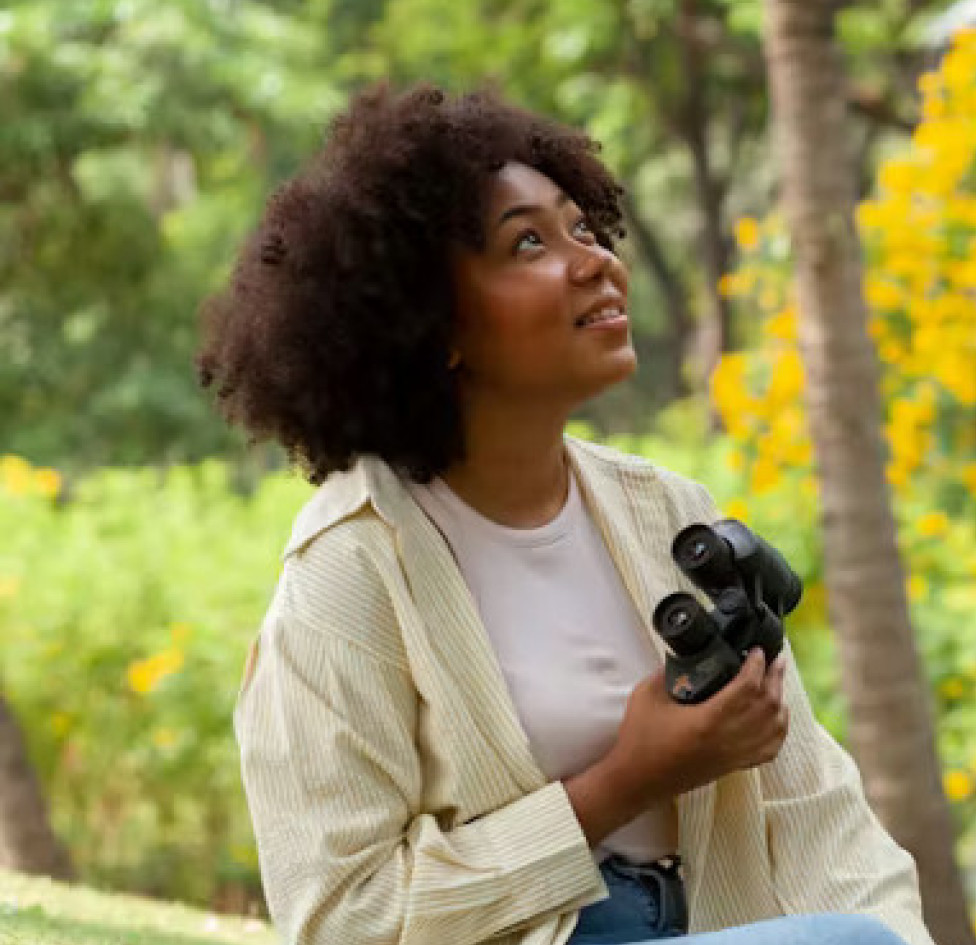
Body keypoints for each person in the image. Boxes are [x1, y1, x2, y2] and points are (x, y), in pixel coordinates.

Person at [196, 81, 934, 945]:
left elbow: (818, 810)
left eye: (584, 228)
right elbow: (341, 919)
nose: (594, 261)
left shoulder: (667, 514)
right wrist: (624, 780)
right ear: (434, 323)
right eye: (529, 243)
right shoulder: (348, 570)